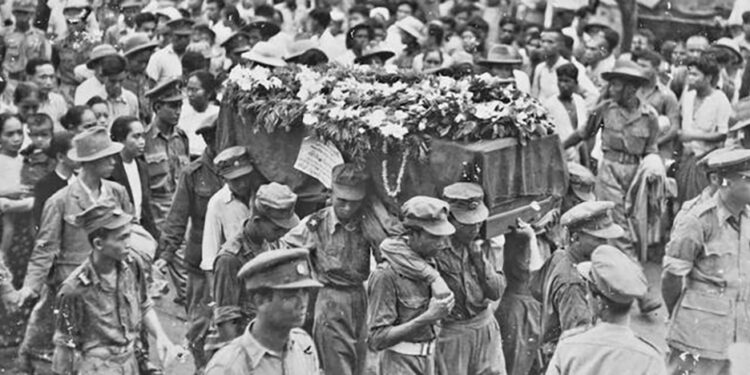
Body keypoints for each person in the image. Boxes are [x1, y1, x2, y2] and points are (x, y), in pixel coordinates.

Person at [16, 126, 134, 373]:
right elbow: (45, 247)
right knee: (66, 351)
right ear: (90, 162)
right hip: (73, 286)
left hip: (110, 284)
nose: (113, 162)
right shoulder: (61, 200)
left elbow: (128, 235)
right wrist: (31, 285)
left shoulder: (117, 193)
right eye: (106, 158)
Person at [51, 203, 182, 374]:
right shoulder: (74, 289)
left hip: (130, 363)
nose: (129, 243)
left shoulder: (133, 264)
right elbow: (64, 347)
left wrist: (161, 337)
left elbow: (144, 305)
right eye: (122, 238)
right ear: (99, 244)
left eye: (129, 235)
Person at [281, 163, 384, 375]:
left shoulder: (367, 222)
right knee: (337, 366)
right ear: (331, 194)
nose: (348, 208)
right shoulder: (316, 224)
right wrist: (305, 276)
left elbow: (385, 255)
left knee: (361, 365)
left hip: (360, 297)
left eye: (355, 202)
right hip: (330, 300)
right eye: (342, 201)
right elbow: (287, 247)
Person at [663, 148, 750, 375]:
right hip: (699, 335)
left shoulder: (747, 216)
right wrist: (682, 315)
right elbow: (672, 278)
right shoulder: (698, 220)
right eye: (748, 179)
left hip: (739, 334)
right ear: (722, 182)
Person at [563, 59, 659, 257]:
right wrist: (559, 148)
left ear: (631, 88)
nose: (611, 89)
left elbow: (651, 149)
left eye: (616, 84)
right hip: (609, 173)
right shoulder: (604, 109)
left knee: (636, 225)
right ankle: (629, 272)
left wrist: (653, 169)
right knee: (616, 223)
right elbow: (583, 134)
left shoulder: (650, 116)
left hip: (635, 176)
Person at [155, 113, 222, 370]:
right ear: (207, 139)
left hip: (231, 261)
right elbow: (177, 218)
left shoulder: (239, 168)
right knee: (199, 324)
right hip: (200, 263)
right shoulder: (193, 174)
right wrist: (165, 256)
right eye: (214, 137)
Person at [368, 196, 456, 375]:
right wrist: (428, 317)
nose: (442, 243)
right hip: (400, 364)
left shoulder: (428, 263)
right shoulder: (386, 274)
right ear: (412, 234)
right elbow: (377, 339)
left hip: (429, 359)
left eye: (443, 236)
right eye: (434, 237)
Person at [546, 245, 666, 375]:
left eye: (589, 293)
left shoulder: (569, 347)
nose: (586, 296)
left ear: (598, 301)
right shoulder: (650, 358)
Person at [533, 201, 624, 369]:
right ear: (575, 237)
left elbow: (536, 290)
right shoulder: (573, 282)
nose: (605, 245)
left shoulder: (560, 255)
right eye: (598, 239)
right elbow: (580, 345)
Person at [209, 182, 299, 351]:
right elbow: (226, 320)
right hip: (244, 344)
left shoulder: (272, 244)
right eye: (277, 229)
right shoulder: (230, 259)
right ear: (257, 221)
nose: (283, 234)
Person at [204, 248, 323, 374]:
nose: (302, 303)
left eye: (305, 292)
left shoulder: (304, 345)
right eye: (291, 295)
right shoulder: (229, 366)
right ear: (260, 301)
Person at [434, 183, 506, 375]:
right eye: (467, 223)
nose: (475, 228)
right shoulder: (437, 248)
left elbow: (496, 291)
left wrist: (479, 258)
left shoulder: (486, 242)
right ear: (450, 219)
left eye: (478, 221)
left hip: (484, 325)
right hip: (452, 332)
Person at [675, 55, 732, 206]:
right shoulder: (688, 96)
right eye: (689, 74)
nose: (690, 78)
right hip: (686, 158)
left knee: (701, 205)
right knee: (681, 204)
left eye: (695, 74)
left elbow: (722, 134)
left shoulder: (720, 100)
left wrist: (693, 136)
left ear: (708, 77)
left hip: (706, 162)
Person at [200, 146, 263, 275]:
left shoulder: (262, 195)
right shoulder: (217, 203)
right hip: (237, 272)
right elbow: (209, 254)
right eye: (235, 180)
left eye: (244, 177)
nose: (242, 184)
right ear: (224, 179)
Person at [0, 114, 34, 347]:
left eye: (19, 133)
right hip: (3, 227)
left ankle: (20, 333)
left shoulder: (27, 161)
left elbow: (34, 196)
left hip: (24, 228)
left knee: (21, 274)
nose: (15, 138)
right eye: (9, 133)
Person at [143, 77, 190, 230]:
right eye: (172, 107)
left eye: (180, 106)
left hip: (182, 216)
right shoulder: (144, 139)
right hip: (157, 217)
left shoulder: (181, 138)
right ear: (157, 107)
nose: (178, 112)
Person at [109, 116, 159, 239]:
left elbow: (146, 206)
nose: (142, 141)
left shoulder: (142, 167)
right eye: (136, 137)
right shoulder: (111, 169)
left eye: (142, 136)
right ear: (121, 140)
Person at [632, 49, 681, 161]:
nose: (639, 69)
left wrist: (653, 145)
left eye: (644, 66)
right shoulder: (632, 91)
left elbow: (674, 128)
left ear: (656, 69)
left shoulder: (667, 95)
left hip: (658, 151)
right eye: (637, 65)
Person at [531, 29, 598, 109]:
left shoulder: (570, 67)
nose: (545, 45)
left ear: (561, 45)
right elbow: (534, 96)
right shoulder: (540, 68)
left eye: (550, 42)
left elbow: (593, 95)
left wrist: (580, 113)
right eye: (543, 41)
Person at [542, 63, 588, 165]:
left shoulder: (579, 101)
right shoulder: (550, 105)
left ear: (575, 83)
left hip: (577, 160)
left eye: (567, 81)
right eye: (560, 80)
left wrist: (586, 164)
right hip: (559, 159)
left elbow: (582, 136)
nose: (563, 85)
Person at [32, 131, 76, 228]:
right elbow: (42, 220)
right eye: (75, 152)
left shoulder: (81, 179)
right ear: (60, 157)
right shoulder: (44, 185)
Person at [3, 0, 52, 81]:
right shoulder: (5, 34)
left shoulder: (40, 36)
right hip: (10, 79)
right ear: (13, 13)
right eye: (18, 12)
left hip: (32, 80)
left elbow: (45, 61)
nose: (21, 16)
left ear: (31, 14)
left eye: (25, 13)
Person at [179, 70, 219, 158]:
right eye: (188, 89)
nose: (189, 94)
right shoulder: (180, 112)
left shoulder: (217, 114)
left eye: (195, 90)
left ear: (208, 93)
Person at [122, 33, 160, 123]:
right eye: (139, 62)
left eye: (146, 62)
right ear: (128, 58)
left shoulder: (149, 81)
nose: (143, 66)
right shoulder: (120, 81)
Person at [147, 18, 194, 83]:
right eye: (179, 37)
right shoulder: (159, 57)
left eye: (186, 37)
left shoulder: (195, 54)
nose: (183, 40)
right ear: (170, 36)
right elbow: (151, 82)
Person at [26, 59, 67, 131]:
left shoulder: (58, 100)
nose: (49, 82)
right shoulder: (20, 104)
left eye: (51, 77)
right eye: (43, 77)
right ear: (29, 78)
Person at [99, 55, 140, 125]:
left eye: (121, 81)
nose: (117, 86)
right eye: (112, 81)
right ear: (103, 78)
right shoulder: (96, 100)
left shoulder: (131, 99)